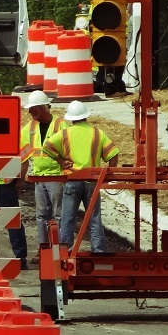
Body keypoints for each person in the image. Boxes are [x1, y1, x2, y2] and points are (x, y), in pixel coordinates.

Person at [43, 100, 119, 253]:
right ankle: (99, 251)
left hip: (72, 180)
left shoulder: (65, 133)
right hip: (92, 182)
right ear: (86, 116)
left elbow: (47, 146)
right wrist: (108, 174)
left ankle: (66, 251)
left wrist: (62, 161)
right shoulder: (98, 133)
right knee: (94, 218)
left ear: (71, 118)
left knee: (68, 219)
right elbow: (114, 154)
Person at [22, 90, 68, 264]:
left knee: (58, 215)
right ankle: (44, 250)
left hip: (56, 177)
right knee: (41, 215)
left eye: (32, 110)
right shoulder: (30, 128)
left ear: (41, 109)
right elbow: (22, 148)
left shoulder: (61, 125)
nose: (29, 114)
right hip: (39, 177)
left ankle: (60, 250)